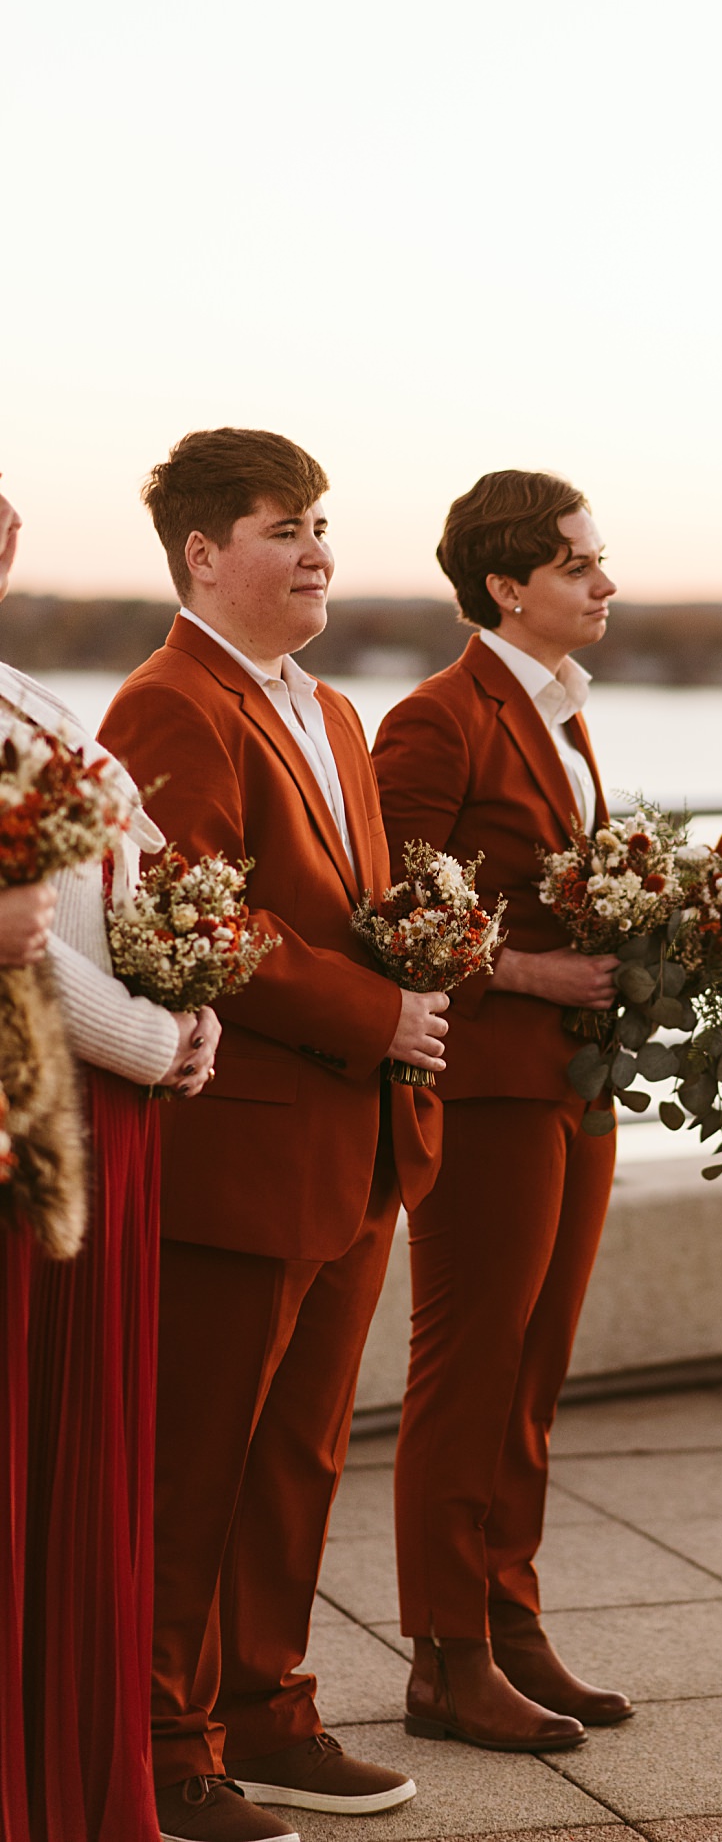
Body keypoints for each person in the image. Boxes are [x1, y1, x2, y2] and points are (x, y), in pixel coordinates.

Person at [99, 429, 446, 1842]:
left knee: (300, 1451)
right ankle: (167, 1741)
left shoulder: (336, 713)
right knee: (200, 1458)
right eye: (285, 526)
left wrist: (430, 958)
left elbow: (342, 901)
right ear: (201, 554)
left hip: (354, 1150)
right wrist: (379, 1012)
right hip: (238, 1155)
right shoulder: (166, 704)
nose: (319, 550)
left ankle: (267, 1706)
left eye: (322, 524)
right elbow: (198, 922)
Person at [372, 469, 632, 1753]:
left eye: (600, 559)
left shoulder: (564, 712)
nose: (605, 581)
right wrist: (527, 971)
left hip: (574, 1086)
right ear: (505, 586)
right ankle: (444, 1656)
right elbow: (392, 918)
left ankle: (511, 1621)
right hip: (479, 1089)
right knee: (467, 1370)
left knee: (534, 1373)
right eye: (581, 563)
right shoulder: (436, 721)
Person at [0, 479, 221, 1842]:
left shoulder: (38, 700)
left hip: (108, 1121)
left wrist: (193, 994)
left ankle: (75, 1777)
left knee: (85, 1464)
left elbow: (116, 877)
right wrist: (150, 1035)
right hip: (40, 1115)